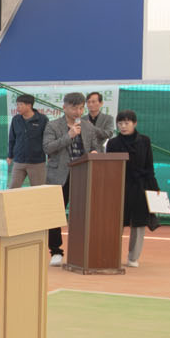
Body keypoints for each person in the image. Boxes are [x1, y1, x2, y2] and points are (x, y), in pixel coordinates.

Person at [44, 91, 111, 265]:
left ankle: (80, 249)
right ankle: (56, 251)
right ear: (64, 107)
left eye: (81, 108)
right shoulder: (53, 126)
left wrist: (95, 151)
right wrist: (69, 136)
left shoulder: (88, 126)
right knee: (55, 214)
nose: (78, 112)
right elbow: (48, 148)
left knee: (83, 214)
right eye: (74, 108)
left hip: (82, 175)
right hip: (59, 176)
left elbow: (97, 145)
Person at [105, 111, 160, 268]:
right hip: (119, 187)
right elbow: (109, 168)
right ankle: (112, 255)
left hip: (140, 187)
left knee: (139, 224)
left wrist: (154, 187)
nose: (123, 126)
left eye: (127, 123)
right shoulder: (113, 143)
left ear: (135, 123)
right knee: (116, 223)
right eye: (120, 123)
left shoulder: (145, 141)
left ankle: (133, 257)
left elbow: (149, 166)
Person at [6, 94, 48, 188]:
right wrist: (10, 155)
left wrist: (49, 155)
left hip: (37, 162)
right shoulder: (16, 119)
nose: (18, 107)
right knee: (12, 189)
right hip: (19, 161)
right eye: (17, 104)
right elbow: (12, 138)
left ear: (29, 105)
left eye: (20, 105)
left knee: (38, 190)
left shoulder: (42, 119)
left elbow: (47, 139)